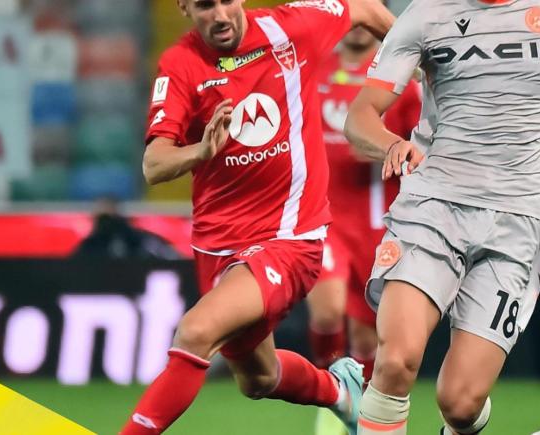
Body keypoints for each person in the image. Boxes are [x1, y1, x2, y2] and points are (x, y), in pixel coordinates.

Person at [119, 0, 397, 433]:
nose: (221, 14)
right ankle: (341, 392)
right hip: (217, 246)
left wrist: (414, 61)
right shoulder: (179, 64)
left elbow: (361, 8)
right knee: (258, 378)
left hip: (289, 237)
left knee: (194, 332)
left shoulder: (292, 28)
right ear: (184, 8)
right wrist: (201, 151)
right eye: (205, 5)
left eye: (227, 0)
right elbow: (154, 165)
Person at [344, 1, 540, 434]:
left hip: (518, 220)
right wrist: (391, 144)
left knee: (460, 404)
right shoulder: (425, 15)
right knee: (394, 360)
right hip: (432, 209)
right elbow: (360, 115)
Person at [307, 25, 422, 435]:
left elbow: (419, 144)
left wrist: (381, 146)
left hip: (377, 222)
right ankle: (327, 394)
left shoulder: (400, 78)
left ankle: (362, 409)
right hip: (323, 216)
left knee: (367, 337)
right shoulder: (316, 67)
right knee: (325, 308)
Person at [73, 197, 182, 260]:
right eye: (102, 218)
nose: (106, 224)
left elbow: (170, 256)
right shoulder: (89, 245)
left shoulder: (139, 239)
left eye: (109, 217)